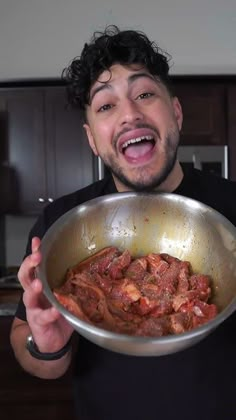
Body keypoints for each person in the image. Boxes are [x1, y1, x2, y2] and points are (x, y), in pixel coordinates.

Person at [10, 25, 236, 420]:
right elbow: (39, 360)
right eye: (105, 106)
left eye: (145, 94)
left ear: (177, 113)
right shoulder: (58, 223)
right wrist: (47, 343)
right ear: (93, 139)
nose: (130, 114)